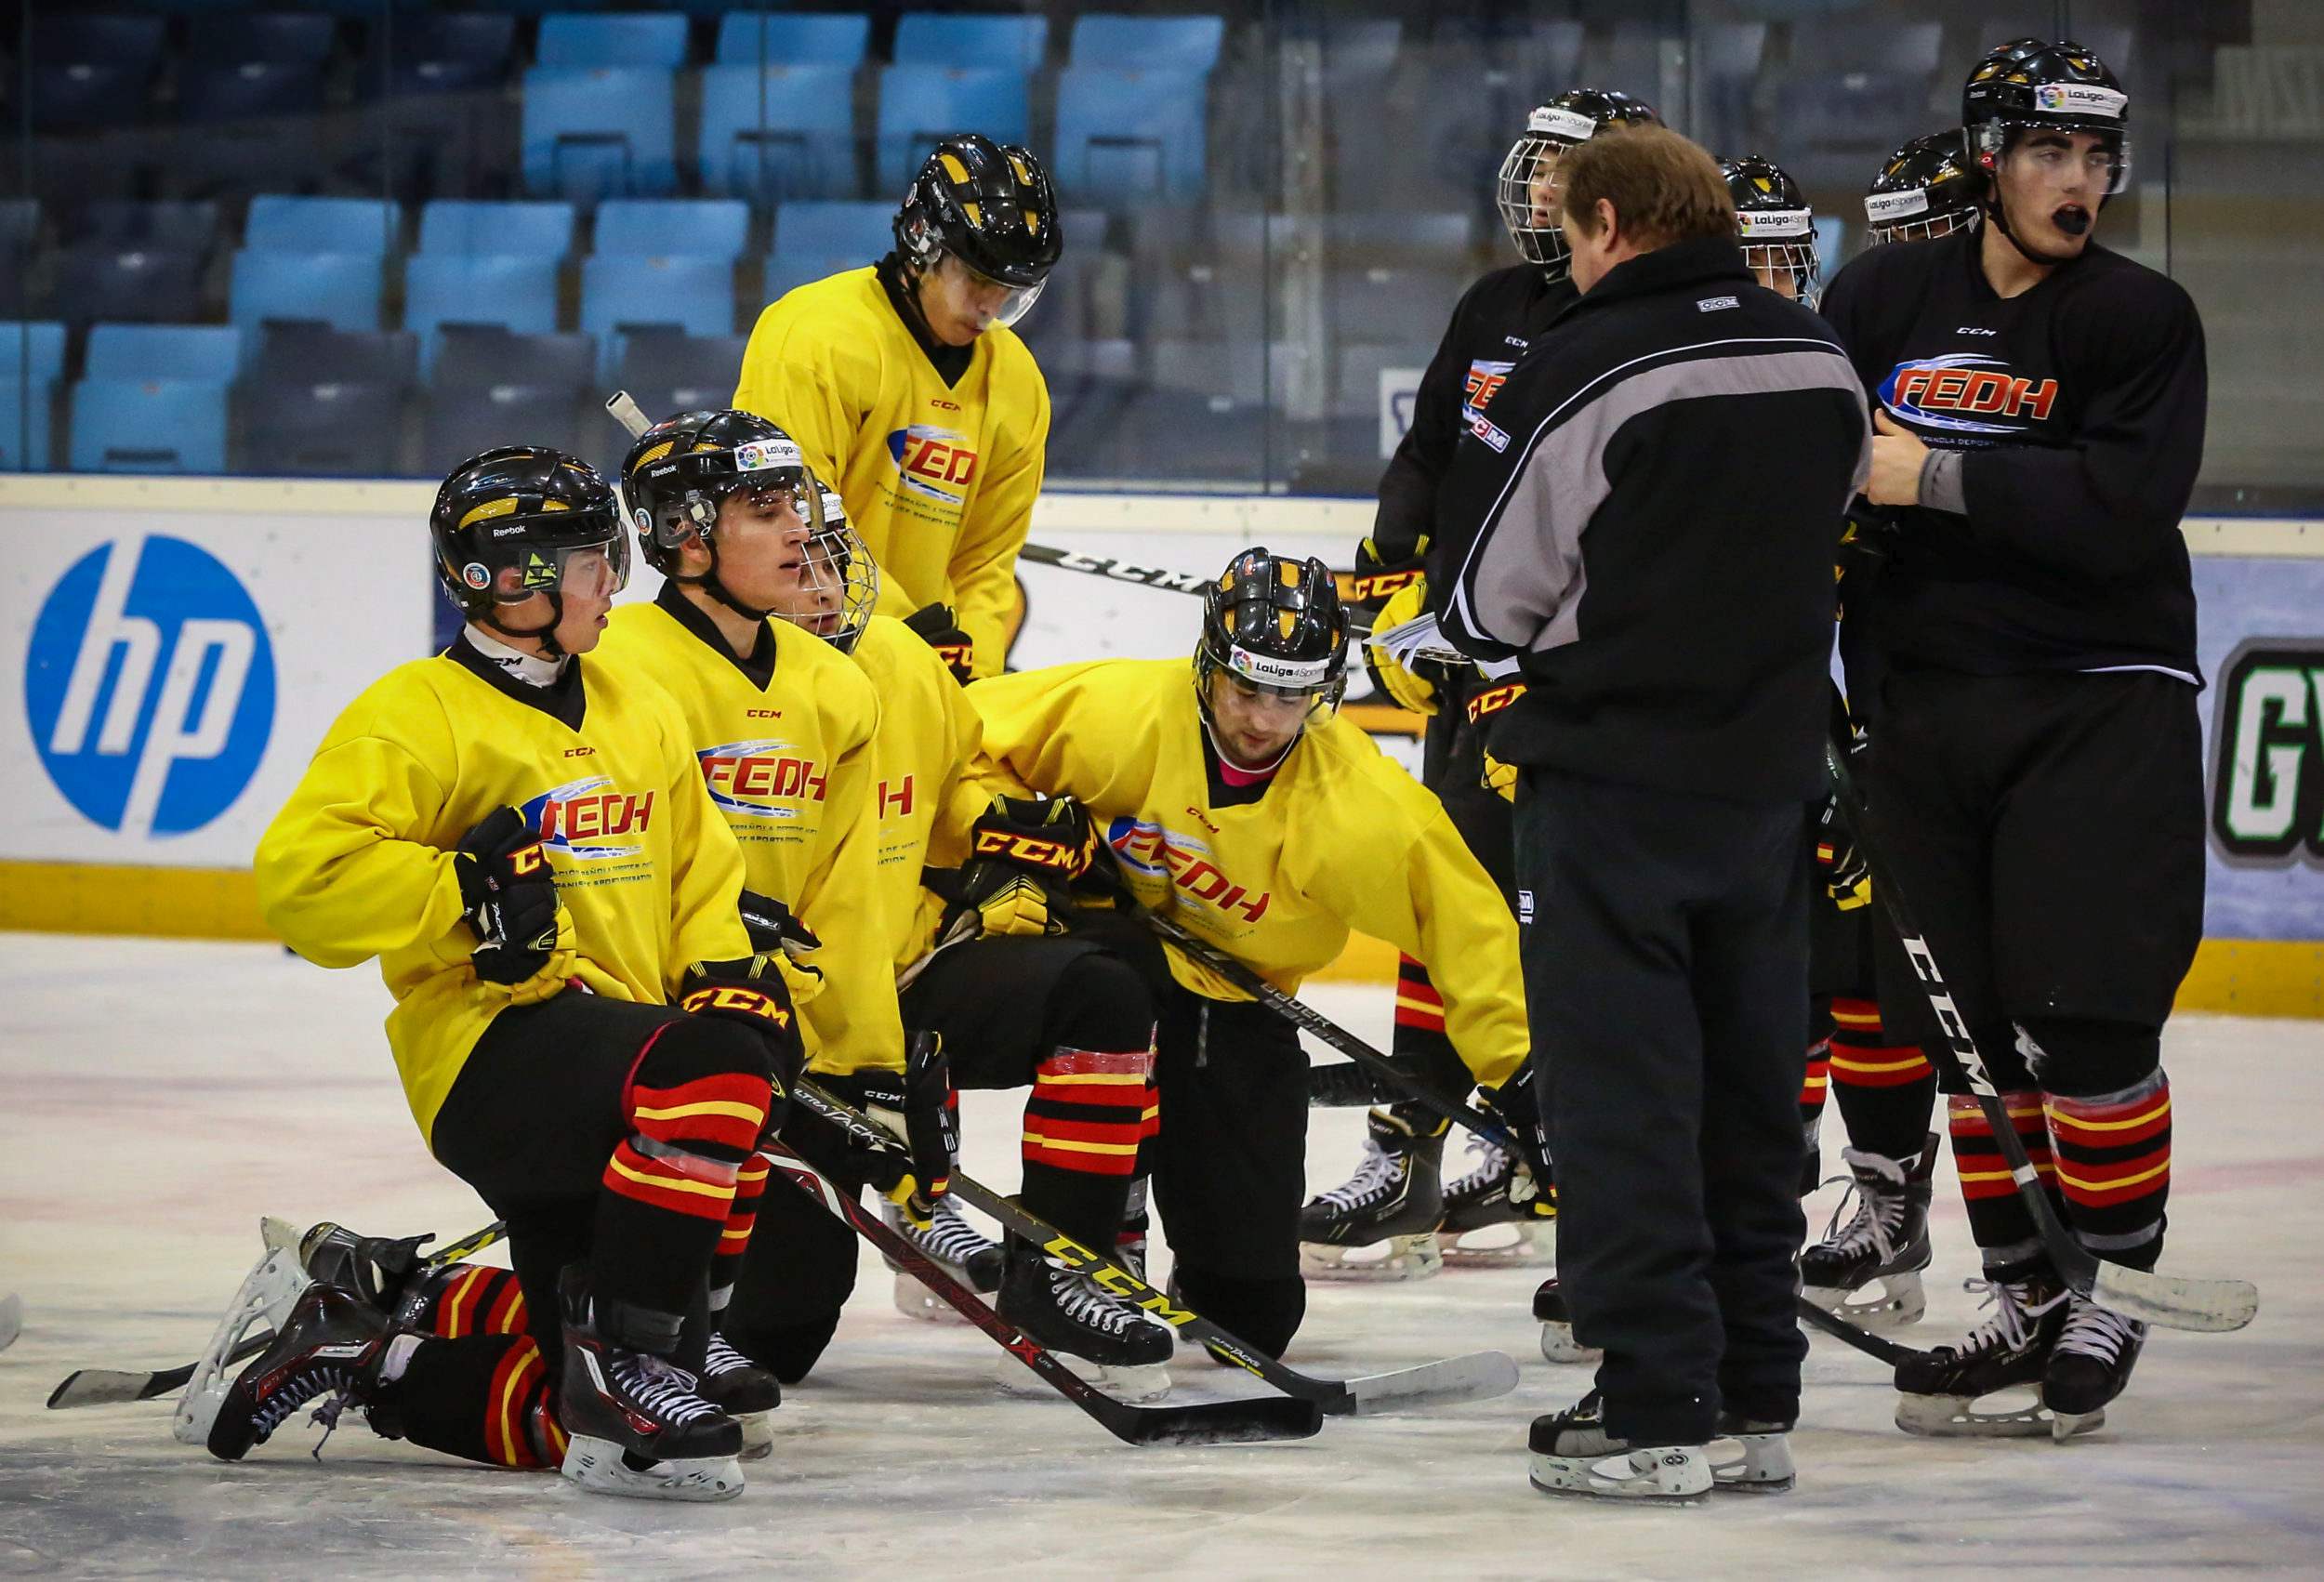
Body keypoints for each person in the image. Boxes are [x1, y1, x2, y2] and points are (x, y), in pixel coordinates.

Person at [1433, 125, 1870, 1502]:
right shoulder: (1819, 357)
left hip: (1617, 789)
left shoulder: (1584, 362)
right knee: (1749, 1099)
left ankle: (1655, 1395)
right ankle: (1753, 1394)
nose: (1559, 250)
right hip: (1766, 787)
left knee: (1622, 1101)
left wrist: (1445, 636)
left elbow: (1488, 598)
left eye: (1569, 226)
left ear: (1614, 219)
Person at [229, 448, 798, 1502]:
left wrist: (723, 972)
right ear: (511, 576)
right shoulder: (417, 711)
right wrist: (458, 894)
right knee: (718, 1072)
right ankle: (640, 1354)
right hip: (493, 1057)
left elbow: (698, 872)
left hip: (620, 1064)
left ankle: (361, 1347)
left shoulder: (635, 700)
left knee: (574, 1426)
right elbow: (300, 885)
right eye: (590, 561)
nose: (613, 581)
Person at [1817, 39, 2207, 1440]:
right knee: (1968, 1029)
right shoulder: (1875, 297)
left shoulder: (2139, 318)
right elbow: (1816, 474)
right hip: (1921, 705)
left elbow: (2121, 510)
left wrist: (1935, 473)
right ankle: (2028, 1286)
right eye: (2052, 154)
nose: (2082, 184)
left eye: (2101, 159)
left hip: (2096, 698)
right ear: (1989, 157)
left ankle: (2114, 1280)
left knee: (2087, 1011)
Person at [963, 547, 1531, 1361]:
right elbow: (951, 737)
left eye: (1292, 695)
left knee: (1253, 1315)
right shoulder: (1117, 710)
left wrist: (1523, 1077)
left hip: (1232, 998)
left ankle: (1190, 1255)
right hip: (1092, 958)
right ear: (1207, 666)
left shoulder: (1361, 806)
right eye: (1247, 687)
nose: (1263, 718)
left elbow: (1468, 929)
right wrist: (1004, 830)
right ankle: (1078, 1249)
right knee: (1110, 997)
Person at [1308, 87, 1660, 1281]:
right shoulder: (1496, 304)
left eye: (1576, 170)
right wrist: (1378, 573)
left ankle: (1536, 1144)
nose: (1547, 190)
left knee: (1558, 918)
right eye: (1542, 166)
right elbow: (1428, 457)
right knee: (1442, 896)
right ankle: (1409, 1147)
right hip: (1470, 669)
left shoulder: (1639, 324)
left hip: (1578, 685)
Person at [720, 485, 1179, 1400]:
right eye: (793, 560)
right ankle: (652, 1311)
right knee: (777, 1337)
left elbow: (958, 767)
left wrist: (995, 833)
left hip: (906, 976)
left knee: (1104, 986)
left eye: (827, 557)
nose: (817, 583)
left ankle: (1058, 1269)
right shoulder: (688, 685)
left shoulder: (895, 653)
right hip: (761, 1016)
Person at [733, 133, 1060, 682]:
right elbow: (795, 522)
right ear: (921, 242)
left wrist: (973, 673)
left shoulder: (1019, 383)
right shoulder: (816, 336)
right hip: (795, 651)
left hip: (923, 665)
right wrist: (898, 634)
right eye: (979, 278)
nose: (991, 305)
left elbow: (987, 564)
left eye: (1011, 289)